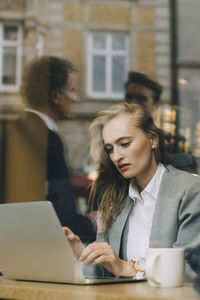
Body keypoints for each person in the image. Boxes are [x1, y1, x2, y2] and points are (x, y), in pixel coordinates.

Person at [64, 102, 200, 280]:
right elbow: (105, 271)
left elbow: (191, 268)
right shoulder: (114, 200)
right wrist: (82, 255)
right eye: (110, 149)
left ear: (152, 140)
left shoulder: (190, 190)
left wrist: (130, 268)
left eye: (125, 143)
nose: (116, 156)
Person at [2, 56, 95, 241]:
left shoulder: (8, 132)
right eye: (73, 90)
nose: (76, 98)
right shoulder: (48, 140)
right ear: (56, 96)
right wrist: (91, 223)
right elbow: (60, 215)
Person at [124, 71, 197, 173]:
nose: (132, 103)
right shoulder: (112, 138)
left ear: (155, 106)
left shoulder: (173, 142)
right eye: (129, 97)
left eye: (141, 99)